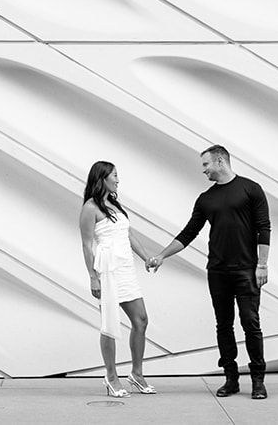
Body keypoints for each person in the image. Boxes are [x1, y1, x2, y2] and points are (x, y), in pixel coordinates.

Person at [147, 145, 270, 400]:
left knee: (251, 324)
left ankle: (258, 381)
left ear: (220, 161)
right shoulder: (206, 199)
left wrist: (262, 264)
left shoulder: (251, 189)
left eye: (206, 165)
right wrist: (161, 255)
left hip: (247, 270)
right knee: (223, 325)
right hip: (217, 271)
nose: (203, 170)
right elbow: (188, 233)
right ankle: (231, 378)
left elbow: (263, 228)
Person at [79, 161, 154, 398]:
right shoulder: (90, 208)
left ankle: (137, 374)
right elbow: (87, 244)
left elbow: (128, 234)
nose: (118, 180)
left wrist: (146, 257)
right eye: (114, 175)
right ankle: (111, 377)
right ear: (101, 178)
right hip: (107, 271)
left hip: (126, 269)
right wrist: (93, 277)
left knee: (141, 320)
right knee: (110, 325)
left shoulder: (115, 204)